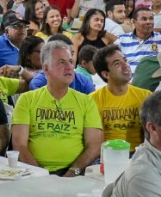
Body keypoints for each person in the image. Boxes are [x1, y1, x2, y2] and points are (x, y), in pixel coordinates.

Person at [11, 38, 103, 175]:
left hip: (75, 174)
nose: (69, 67)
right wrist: (41, 176)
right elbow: (19, 145)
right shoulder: (27, 100)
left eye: (70, 61)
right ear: (46, 68)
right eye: (61, 62)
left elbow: (94, 145)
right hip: (34, 173)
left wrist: (72, 172)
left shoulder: (86, 102)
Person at [90, 44, 150, 150]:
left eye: (125, 60)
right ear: (105, 74)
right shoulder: (93, 100)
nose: (125, 65)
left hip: (139, 154)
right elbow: (95, 143)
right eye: (117, 63)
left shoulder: (146, 96)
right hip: (108, 154)